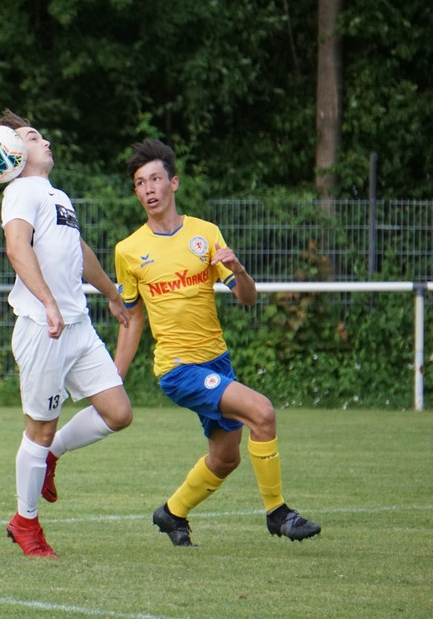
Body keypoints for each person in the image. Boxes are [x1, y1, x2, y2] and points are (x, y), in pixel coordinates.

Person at [112, 139, 321, 546]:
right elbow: (132, 319)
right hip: (178, 369)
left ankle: (172, 513)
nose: (149, 188)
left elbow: (247, 298)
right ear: (136, 192)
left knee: (226, 457)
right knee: (262, 412)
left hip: (216, 362)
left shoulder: (205, 234)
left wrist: (238, 269)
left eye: (155, 179)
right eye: (140, 183)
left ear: (174, 182)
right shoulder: (129, 250)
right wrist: (114, 377)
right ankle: (278, 513)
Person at [0, 109, 133, 558]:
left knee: (118, 413)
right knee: (38, 429)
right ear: (14, 152)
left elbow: (78, 250)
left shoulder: (56, 195)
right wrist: (49, 303)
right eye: (34, 137)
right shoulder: (20, 191)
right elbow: (16, 247)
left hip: (78, 327)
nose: (46, 141)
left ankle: (52, 455)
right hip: (44, 329)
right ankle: (25, 523)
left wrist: (112, 293)